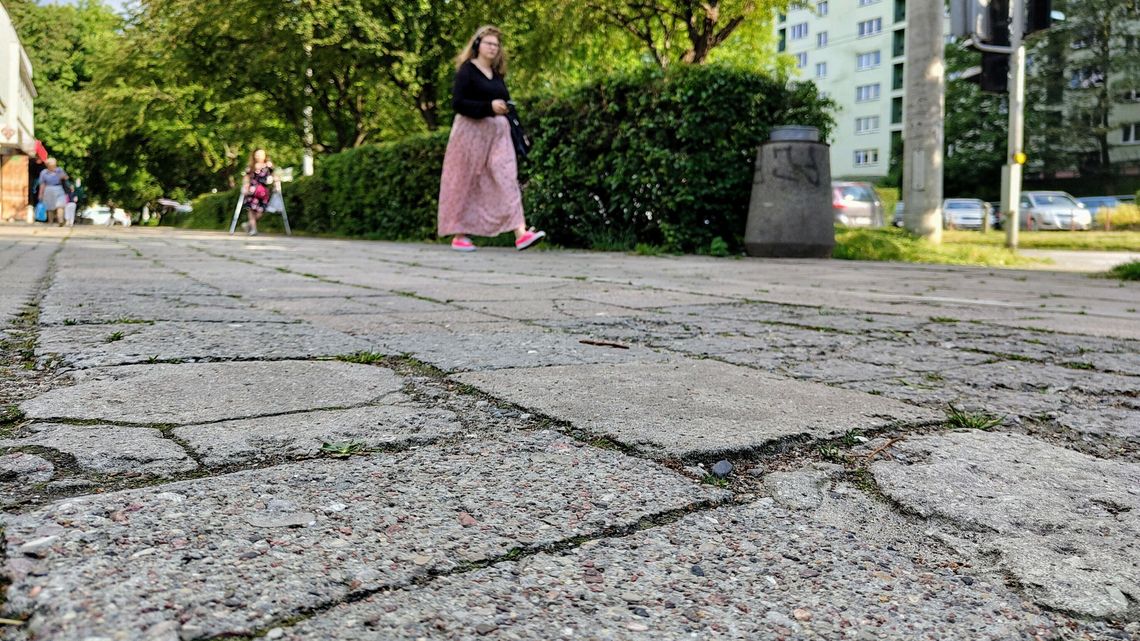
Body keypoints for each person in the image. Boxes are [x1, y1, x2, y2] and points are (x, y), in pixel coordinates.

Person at [438, 25, 545, 252]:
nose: (493, 48)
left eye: (496, 45)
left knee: (506, 177)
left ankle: (520, 233)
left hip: (498, 135)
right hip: (470, 133)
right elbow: (458, 103)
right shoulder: (467, 70)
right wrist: (488, 107)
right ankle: (459, 235)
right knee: (465, 180)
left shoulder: (497, 75)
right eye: (489, 43)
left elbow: (505, 102)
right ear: (478, 45)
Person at [241, 148, 275, 236]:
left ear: (264, 155)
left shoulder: (268, 166)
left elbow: (274, 176)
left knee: (261, 211)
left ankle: (248, 224)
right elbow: (246, 178)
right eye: (257, 154)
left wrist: (274, 182)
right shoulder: (250, 167)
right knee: (251, 210)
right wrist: (245, 187)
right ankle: (253, 229)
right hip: (252, 192)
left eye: (261, 154)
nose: (259, 156)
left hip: (263, 192)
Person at [37, 158, 70, 226]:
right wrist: (40, 194)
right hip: (48, 189)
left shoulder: (59, 170)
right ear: (47, 165)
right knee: (50, 207)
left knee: (60, 205)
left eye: (54, 165)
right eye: (51, 165)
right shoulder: (44, 172)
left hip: (59, 188)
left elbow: (66, 177)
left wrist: (60, 175)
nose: (53, 166)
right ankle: (50, 222)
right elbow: (42, 184)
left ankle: (60, 221)